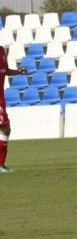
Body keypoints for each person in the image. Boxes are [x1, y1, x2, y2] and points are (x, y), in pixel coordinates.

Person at [0, 45, 28, 174]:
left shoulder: (2, 50)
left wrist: (18, 71)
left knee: (5, 129)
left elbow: (5, 71)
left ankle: (1, 164)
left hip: (1, 95)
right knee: (5, 128)